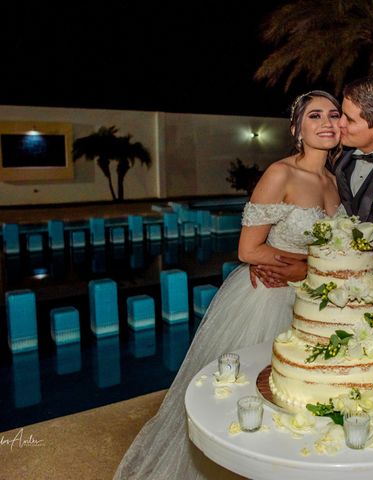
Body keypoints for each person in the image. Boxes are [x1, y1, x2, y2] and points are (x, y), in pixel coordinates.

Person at [113, 90, 342, 480]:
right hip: (269, 298)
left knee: (304, 400)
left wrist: (310, 270)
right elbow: (249, 249)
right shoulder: (281, 173)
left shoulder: (333, 180)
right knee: (254, 397)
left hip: (317, 301)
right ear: (296, 128)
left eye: (334, 115)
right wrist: (304, 265)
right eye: (315, 116)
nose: (327, 123)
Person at [254, 75, 373, 343]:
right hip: (337, 298)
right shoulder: (342, 160)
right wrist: (268, 255)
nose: (338, 124)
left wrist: (307, 268)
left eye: (348, 119)